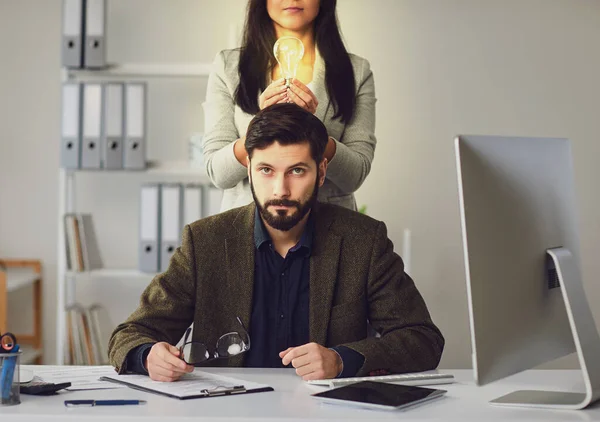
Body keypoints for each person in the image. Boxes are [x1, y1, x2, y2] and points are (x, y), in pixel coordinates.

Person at [108, 104, 443, 382]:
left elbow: (423, 339)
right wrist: (148, 355)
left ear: (322, 171)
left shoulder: (363, 242)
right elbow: (130, 334)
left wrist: (342, 360)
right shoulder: (205, 241)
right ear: (248, 169)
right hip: (225, 413)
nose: (280, 189)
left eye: (297, 171)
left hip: (329, 415)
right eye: (266, 170)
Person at [202, 0, 377, 212]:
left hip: (329, 229)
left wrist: (314, 129)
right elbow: (218, 173)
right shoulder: (228, 66)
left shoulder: (356, 71)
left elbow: (354, 176)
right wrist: (261, 124)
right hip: (247, 227)